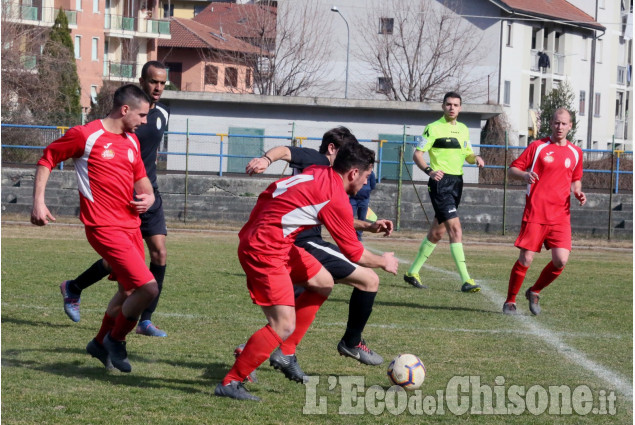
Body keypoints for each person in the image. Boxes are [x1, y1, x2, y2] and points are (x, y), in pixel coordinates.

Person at [215, 142, 399, 401]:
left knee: (323, 281)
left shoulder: (319, 172)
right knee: (283, 324)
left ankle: (285, 352)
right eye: (368, 176)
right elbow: (355, 254)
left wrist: (367, 227)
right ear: (354, 173)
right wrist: (384, 261)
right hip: (265, 248)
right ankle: (231, 381)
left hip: (275, 239)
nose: (367, 183)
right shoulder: (334, 195)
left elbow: (302, 203)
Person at [245, 127, 393, 375]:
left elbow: (330, 215)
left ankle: (267, 351)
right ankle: (351, 343)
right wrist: (266, 159)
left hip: (287, 241)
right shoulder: (320, 163)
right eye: (346, 153)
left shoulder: (326, 179)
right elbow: (285, 150)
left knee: (304, 297)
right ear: (333, 150)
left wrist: (368, 226)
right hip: (299, 243)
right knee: (369, 279)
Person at [31, 84, 158, 373]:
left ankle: (100, 342)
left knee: (128, 292)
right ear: (125, 110)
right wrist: (38, 202)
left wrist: (148, 197)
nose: (145, 121)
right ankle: (116, 339)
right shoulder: (86, 135)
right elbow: (46, 159)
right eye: (142, 115)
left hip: (131, 227)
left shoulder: (132, 142)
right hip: (103, 227)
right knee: (148, 288)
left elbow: (142, 181)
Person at [58, 61, 170, 337]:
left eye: (163, 83)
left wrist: (149, 192)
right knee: (121, 263)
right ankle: (75, 288)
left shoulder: (163, 115)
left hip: (148, 193)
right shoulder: (121, 118)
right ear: (142, 82)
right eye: (154, 82)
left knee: (159, 252)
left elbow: (149, 155)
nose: (159, 88)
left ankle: (145, 318)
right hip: (118, 200)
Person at [502, 108, 586, 315]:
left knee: (561, 260)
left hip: (560, 216)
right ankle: (510, 301)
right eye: (557, 123)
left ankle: (535, 290)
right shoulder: (538, 147)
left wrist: (578, 192)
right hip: (536, 213)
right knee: (526, 259)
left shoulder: (576, 152)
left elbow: (575, 179)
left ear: (570, 126)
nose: (560, 127)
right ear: (551, 123)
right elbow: (512, 170)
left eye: (564, 123)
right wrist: (524, 175)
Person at [404, 91, 485, 292]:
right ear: (443, 106)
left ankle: (412, 272)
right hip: (440, 184)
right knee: (455, 229)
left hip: (457, 182)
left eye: (455, 105)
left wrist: (476, 159)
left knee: (437, 232)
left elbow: (467, 154)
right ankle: (467, 280)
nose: (452, 108)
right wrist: (429, 171)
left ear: (460, 108)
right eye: (448, 104)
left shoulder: (464, 130)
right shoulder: (433, 128)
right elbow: (417, 154)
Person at [350, 170, 376, 241]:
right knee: (349, 217)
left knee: (362, 217)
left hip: (364, 199)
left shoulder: (371, 173)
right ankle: (349, 235)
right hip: (353, 198)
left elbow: (373, 185)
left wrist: (366, 190)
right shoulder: (357, 171)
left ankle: (358, 236)